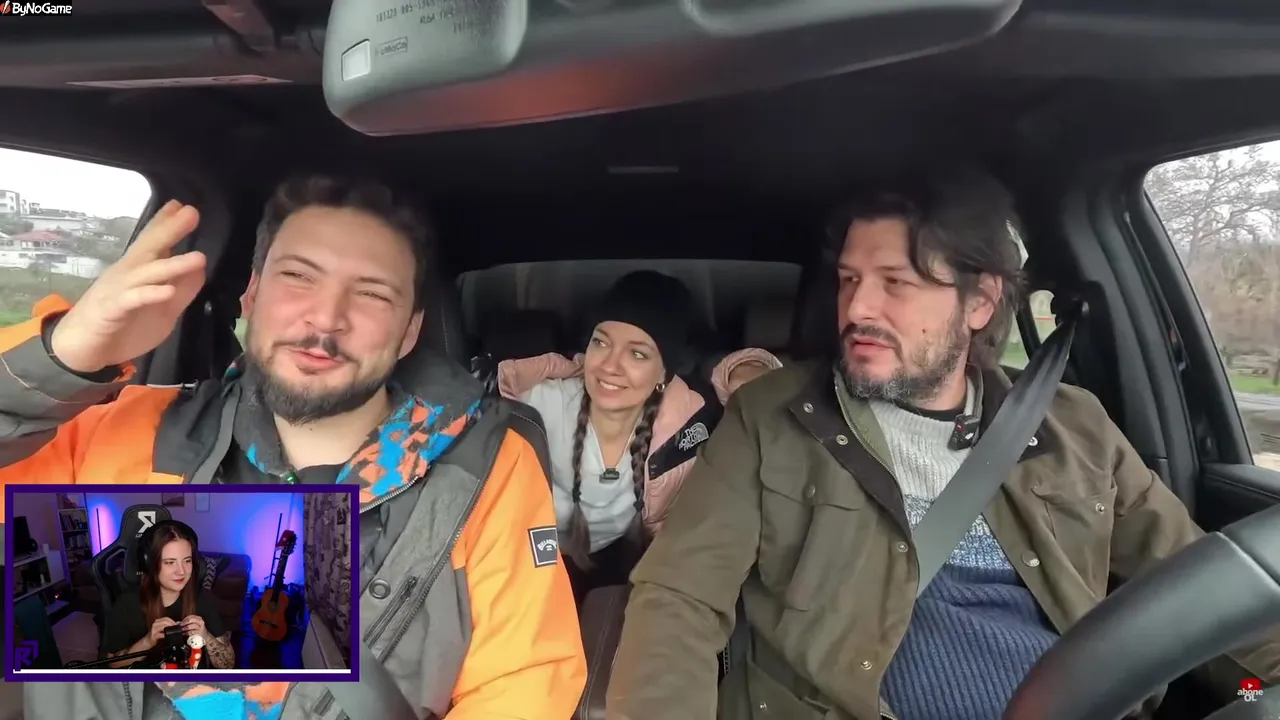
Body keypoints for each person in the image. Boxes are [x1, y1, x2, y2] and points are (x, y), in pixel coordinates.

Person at [605, 167, 1280, 720]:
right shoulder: (771, 416)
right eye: (849, 280)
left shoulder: (1074, 427)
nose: (857, 308)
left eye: (896, 283)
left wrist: (1259, 694)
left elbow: (1203, 598)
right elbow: (679, 599)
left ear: (980, 302)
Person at [0, 176, 586, 719]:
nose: (326, 319)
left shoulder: (485, 471)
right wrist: (61, 360)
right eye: (299, 277)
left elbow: (523, 685)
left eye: (372, 294)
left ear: (410, 331)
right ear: (251, 295)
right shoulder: (123, 430)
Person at [496, 271, 781, 599]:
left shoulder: (683, 422)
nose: (610, 366)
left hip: (630, 566)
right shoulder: (536, 408)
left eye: (637, 353)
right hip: (523, 563)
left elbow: (742, 389)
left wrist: (746, 372)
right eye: (601, 342)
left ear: (664, 373)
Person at [100, 520, 232, 669]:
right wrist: (147, 641)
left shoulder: (204, 599)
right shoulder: (126, 603)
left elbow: (228, 665)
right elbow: (113, 664)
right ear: (150, 565)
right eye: (170, 562)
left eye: (187, 561)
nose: (181, 571)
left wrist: (206, 635)